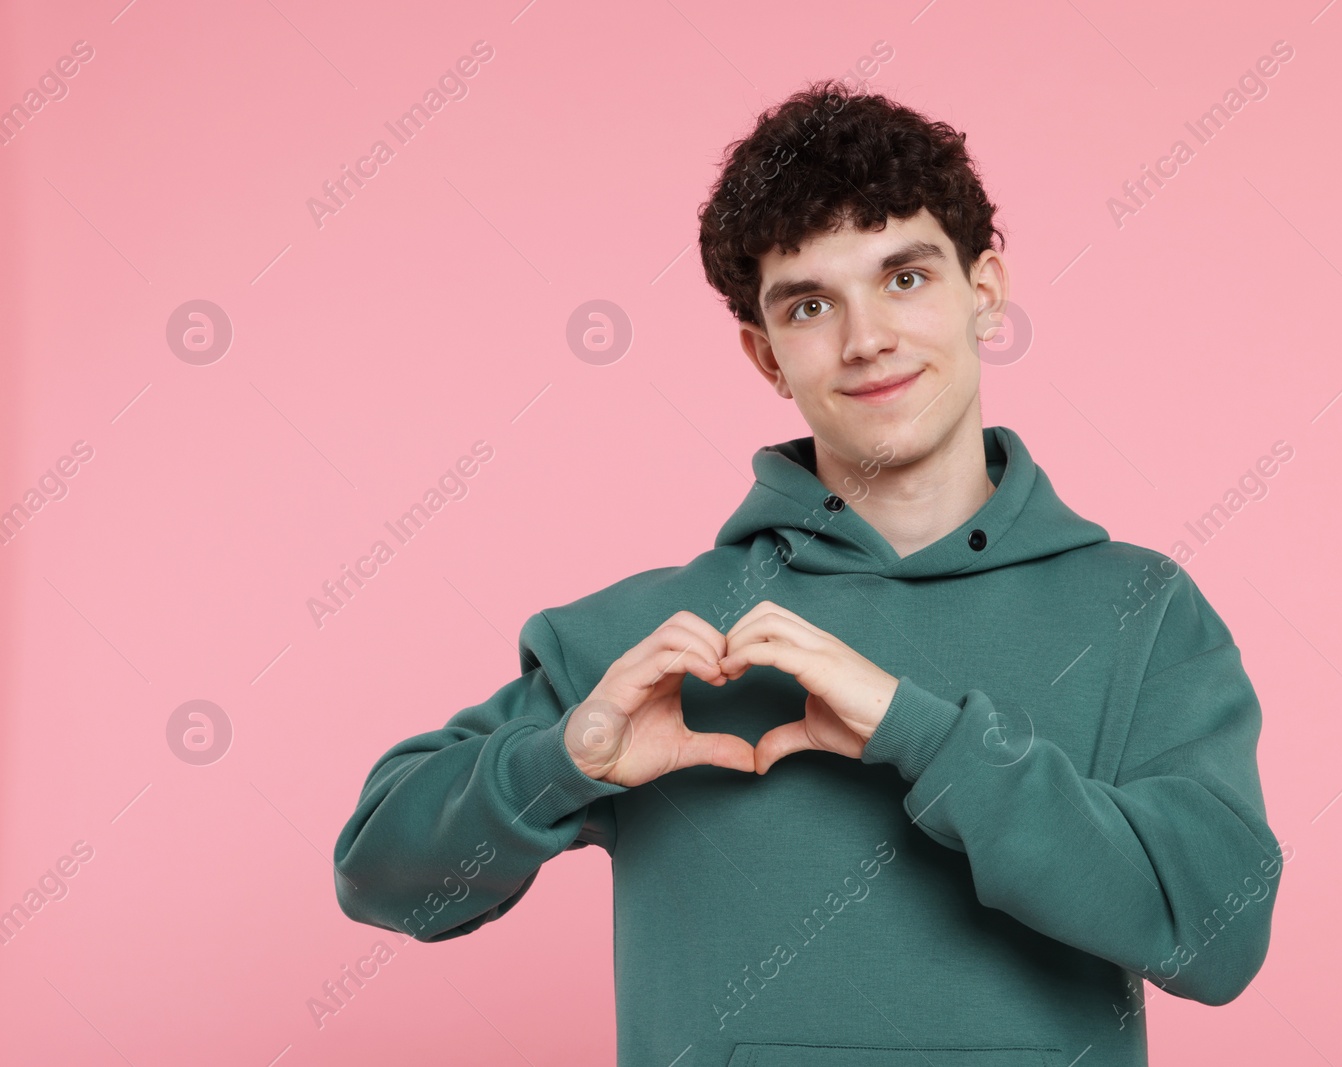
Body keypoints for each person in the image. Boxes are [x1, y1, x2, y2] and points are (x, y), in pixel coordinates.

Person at [333, 78, 1283, 1067]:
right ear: (765, 354)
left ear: (985, 291)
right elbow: (385, 879)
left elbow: (1216, 938)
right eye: (811, 303)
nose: (866, 337)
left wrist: (921, 732)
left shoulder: (1136, 609)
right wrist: (560, 760)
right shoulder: (651, 640)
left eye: (904, 278)